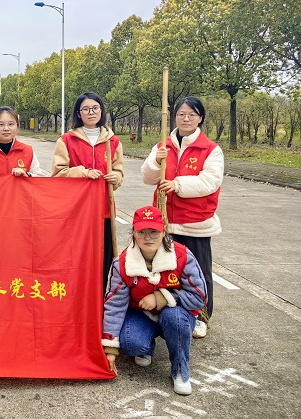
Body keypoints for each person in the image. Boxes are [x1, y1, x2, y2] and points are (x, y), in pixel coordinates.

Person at [141, 96, 223, 339]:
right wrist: (156, 161)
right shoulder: (163, 145)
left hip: (195, 222)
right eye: (181, 114)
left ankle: (201, 316)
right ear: (174, 117)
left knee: (199, 272)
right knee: (167, 270)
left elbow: (209, 182)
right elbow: (147, 177)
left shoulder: (210, 149)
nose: (186, 119)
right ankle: (170, 313)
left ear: (200, 118)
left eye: (192, 114)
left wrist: (177, 184)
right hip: (166, 221)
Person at [102, 206, 207, 396]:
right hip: (142, 313)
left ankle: (180, 370)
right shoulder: (123, 263)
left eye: (154, 232)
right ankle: (146, 346)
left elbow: (199, 297)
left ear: (163, 231)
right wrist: (110, 348)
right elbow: (114, 304)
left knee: (174, 319)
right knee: (131, 343)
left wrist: (162, 297)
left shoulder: (182, 256)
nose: (147, 238)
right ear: (133, 233)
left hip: (176, 313)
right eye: (141, 232)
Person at [51, 92, 123, 293]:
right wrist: (82, 172)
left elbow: (119, 172)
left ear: (101, 110)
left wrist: (116, 177)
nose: (91, 112)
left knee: (104, 260)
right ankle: (76, 300)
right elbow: (58, 174)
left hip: (104, 210)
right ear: (78, 113)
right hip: (76, 212)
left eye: (95, 108)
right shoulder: (66, 140)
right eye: (86, 109)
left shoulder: (113, 141)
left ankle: (99, 301)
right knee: (76, 259)